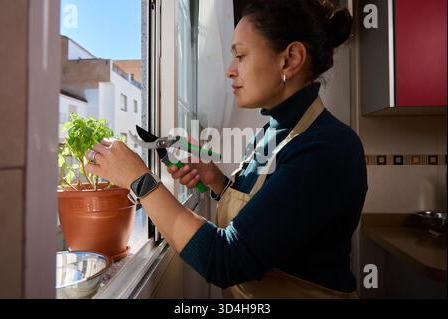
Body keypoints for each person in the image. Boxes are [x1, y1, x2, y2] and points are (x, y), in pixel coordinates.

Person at [85, 0, 368, 299]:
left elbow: (226, 260)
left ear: (290, 60)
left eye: (241, 56)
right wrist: (217, 182)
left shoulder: (328, 149)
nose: (229, 71)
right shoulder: (269, 133)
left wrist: (140, 180)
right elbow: (270, 216)